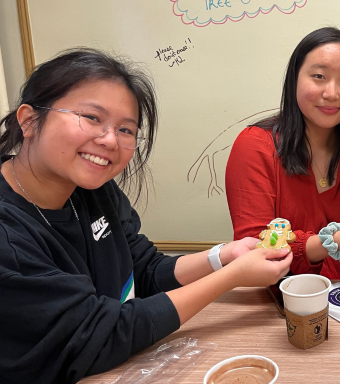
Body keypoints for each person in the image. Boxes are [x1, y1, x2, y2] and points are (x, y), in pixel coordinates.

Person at [0, 49, 292, 383]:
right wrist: (231, 276)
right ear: (28, 120)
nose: (110, 140)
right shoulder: (9, 235)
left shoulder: (92, 189)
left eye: (126, 129)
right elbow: (100, 334)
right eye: (92, 118)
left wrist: (222, 256)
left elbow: (145, 271)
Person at [225, 27, 340, 280]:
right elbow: (254, 252)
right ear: (294, 79)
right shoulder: (256, 146)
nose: (331, 93)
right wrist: (332, 242)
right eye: (319, 76)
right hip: (282, 303)